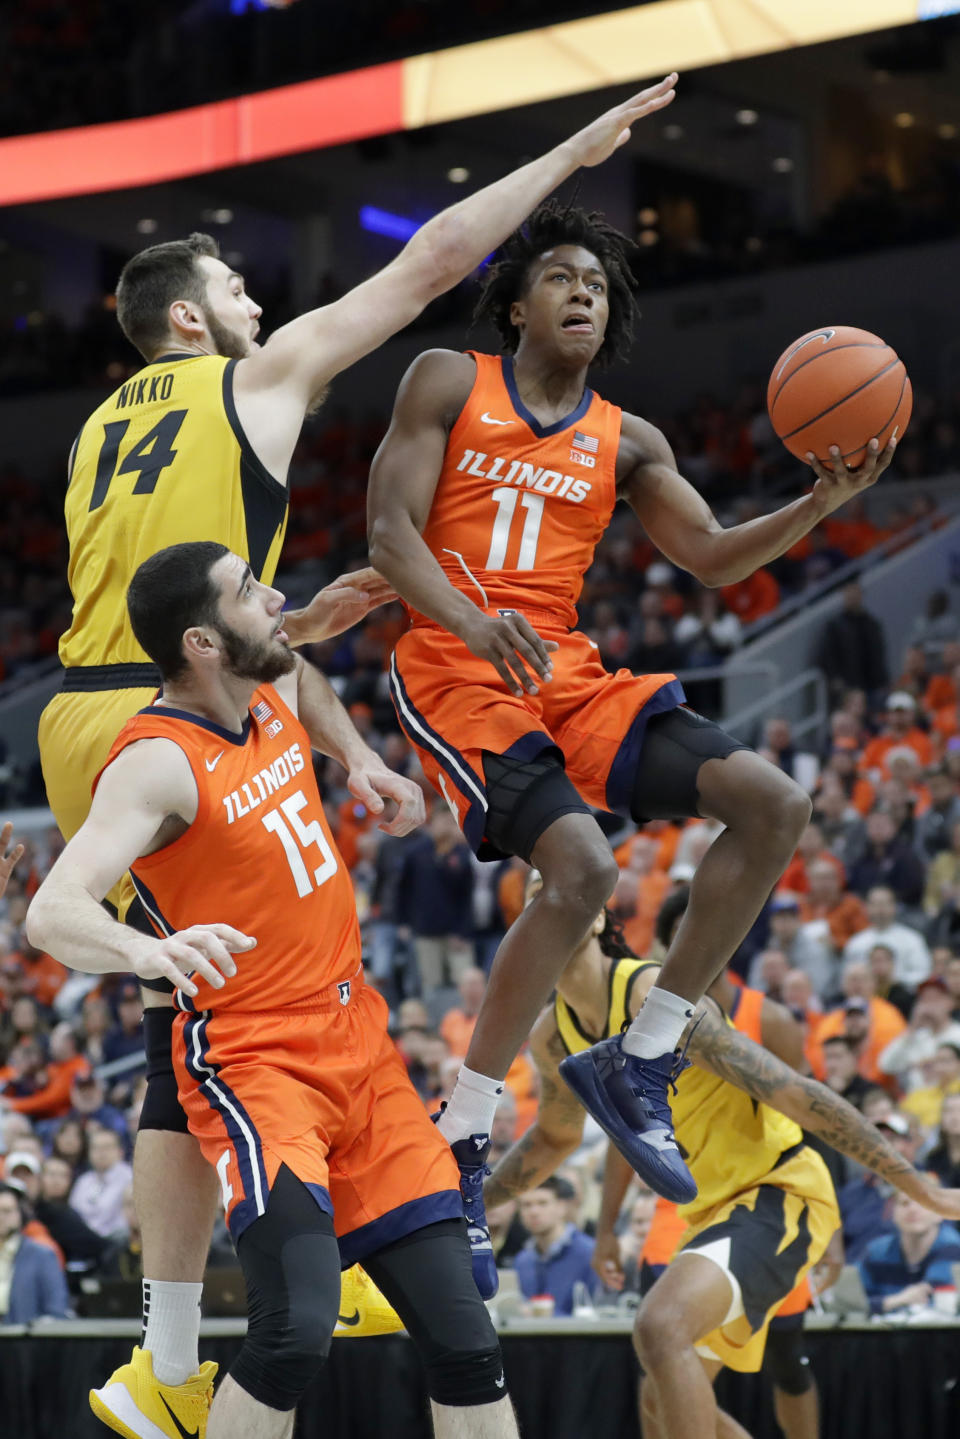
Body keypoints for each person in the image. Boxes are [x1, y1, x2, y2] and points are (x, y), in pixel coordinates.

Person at [32, 79, 683, 1439]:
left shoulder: (101, 425)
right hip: (155, 727)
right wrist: (573, 149)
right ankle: (166, 1355)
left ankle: (324, 1253)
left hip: (104, 701)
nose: (264, 307)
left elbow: (235, 631)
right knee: (200, 1012)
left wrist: (332, 725)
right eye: (239, 289)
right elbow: (435, 261)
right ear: (192, 319)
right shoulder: (246, 379)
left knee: (220, 999)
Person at [367, 197, 896, 1265]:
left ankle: (642, 1054)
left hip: (562, 666)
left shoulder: (628, 437)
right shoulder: (444, 381)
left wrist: (817, 502)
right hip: (451, 658)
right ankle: (464, 1128)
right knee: (582, 868)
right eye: (561, 278)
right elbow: (387, 534)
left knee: (774, 800)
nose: (581, 295)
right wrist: (472, 617)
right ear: (516, 304)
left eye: (597, 287)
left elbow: (709, 555)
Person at [27, 541, 524, 1439]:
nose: (276, 596)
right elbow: (51, 913)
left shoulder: (263, 684)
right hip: (257, 1060)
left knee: (467, 1337)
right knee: (294, 1329)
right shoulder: (155, 760)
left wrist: (360, 760)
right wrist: (153, 952)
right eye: (250, 591)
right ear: (202, 642)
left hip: (360, 1045)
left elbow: (297, 668)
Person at [481, 879, 956, 1439]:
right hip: (712, 1212)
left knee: (665, 1328)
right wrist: (467, 1205)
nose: (545, 901)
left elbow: (793, 1091)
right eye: (531, 897)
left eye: (553, 886)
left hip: (780, 1189)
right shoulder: (553, 1038)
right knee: (657, 1395)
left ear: (596, 918)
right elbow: (553, 1140)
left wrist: (915, 1185)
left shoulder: (654, 997)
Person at [859, 1192, 960, 1315]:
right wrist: (897, 1300)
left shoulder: (953, 1248)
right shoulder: (876, 1251)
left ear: (939, 1212)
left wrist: (880, 1305)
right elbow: (850, 1302)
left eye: (923, 1203)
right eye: (904, 1203)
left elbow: (936, 1302)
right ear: (892, 1212)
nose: (912, 1209)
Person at [514, 1175, 598, 1316]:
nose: (534, 1212)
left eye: (543, 1203)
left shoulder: (590, 1254)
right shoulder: (522, 1261)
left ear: (562, 1207)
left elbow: (600, 1313)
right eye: (526, 1205)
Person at [0, 1183, 71, 1325]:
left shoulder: (42, 1256)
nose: (0, 1217)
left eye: (6, 1211)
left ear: (21, 1214)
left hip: (22, 1341)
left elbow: (56, 1311)